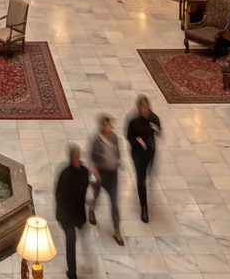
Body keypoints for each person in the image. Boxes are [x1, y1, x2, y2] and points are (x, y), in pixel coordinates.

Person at [53, 144, 91, 279]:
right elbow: (59, 195)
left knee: (78, 235)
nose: (76, 159)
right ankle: (72, 271)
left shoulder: (84, 171)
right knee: (71, 240)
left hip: (78, 213)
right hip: (67, 215)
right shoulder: (65, 175)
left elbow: (86, 187)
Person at [125, 94, 162, 222]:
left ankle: (148, 173)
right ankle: (144, 208)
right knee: (141, 179)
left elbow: (158, 131)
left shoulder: (154, 118)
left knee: (149, 170)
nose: (145, 110)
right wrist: (138, 141)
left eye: (147, 107)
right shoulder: (133, 121)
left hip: (150, 152)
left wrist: (152, 139)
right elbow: (128, 136)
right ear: (139, 109)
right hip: (138, 154)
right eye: (142, 108)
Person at [88, 114, 123, 244]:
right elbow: (91, 158)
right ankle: (91, 209)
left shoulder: (114, 137)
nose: (107, 127)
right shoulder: (96, 141)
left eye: (108, 125)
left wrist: (117, 162)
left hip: (112, 175)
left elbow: (117, 152)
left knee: (114, 203)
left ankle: (117, 231)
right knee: (96, 196)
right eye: (104, 125)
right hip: (100, 174)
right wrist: (95, 170)